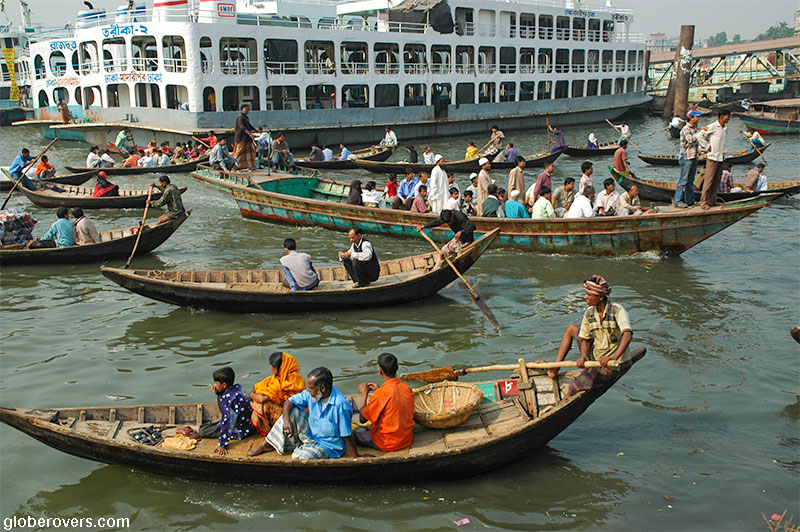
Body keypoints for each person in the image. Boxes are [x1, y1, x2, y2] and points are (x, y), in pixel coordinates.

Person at [538, 276, 632, 400]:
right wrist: (584, 356)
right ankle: (554, 370)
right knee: (572, 329)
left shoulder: (617, 310)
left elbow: (627, 335)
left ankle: (564, 400)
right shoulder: (589, 312)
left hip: (611, 362)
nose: (585, 297)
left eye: (589, 295)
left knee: (572, 390)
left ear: (600, 297)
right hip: (597, 354)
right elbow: (585, 339)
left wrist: (612, 358)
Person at [254, 367, 359, 459]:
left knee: (299, 457)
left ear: (322, 388)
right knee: (291, 412)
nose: (308, 391)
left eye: (311, 388)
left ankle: (300, 448)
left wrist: (356, 456)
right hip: (311, 434)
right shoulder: (311, 394)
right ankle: (268, 444)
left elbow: (346, 435)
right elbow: (289, 402)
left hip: (328, 446)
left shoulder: (341, 405)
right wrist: (286, 420)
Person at [355, 353, 415, 452]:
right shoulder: (407, 388)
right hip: (407, 439)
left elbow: (362, 419)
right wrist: (378, 390)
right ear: (396, 368)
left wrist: (364, 395)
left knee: (357, 431)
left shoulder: (380, 394)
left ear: (380, 371)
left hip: (387, 443)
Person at [247, 352, 306, 441]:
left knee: (260, 404)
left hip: (288, 415)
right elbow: (258, 386)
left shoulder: (280, 383)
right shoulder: (297, 378)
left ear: (275, 368)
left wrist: (251, 395)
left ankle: (270, 431)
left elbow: (262, 399)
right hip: (300, 414)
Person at [202, 367, 254, 456]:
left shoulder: (227, 400)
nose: (215, 385)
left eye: (216, 383)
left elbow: (228, 423)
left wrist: (222, 444)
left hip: (239, 430)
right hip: (246, 424)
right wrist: (217, 390)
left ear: (224, 385)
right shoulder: (238, 387)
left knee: (203, 430)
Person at [696, 110, 731, 209]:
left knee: (717, 181)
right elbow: (699, 135)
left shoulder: (725, 128)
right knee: (709, 181)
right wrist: (707, 146)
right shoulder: (713, 126)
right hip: (712, 157)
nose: (728, 119)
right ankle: (703, 202)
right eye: (727, 117)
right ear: (721, 116)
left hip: (721, 157)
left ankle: (712, 201)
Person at [674, 110, 702, 208]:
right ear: (691, 118)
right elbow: (691, 140)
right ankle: (678, 201)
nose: (698, 119)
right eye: (696, 117)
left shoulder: (696, 129)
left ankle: (690, 200)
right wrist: (701, 133)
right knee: (683, 180)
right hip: (686, 157)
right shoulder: (685, 129)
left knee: (690, 180)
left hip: (693, 156)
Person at [233, 104, 258, 170]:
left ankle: (249, 166)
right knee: (239, 152)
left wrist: (255, 130)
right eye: (246, 109)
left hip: (247, 138)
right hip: (241, 137)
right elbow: (241, 127)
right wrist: (249, 133)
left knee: (249, 152)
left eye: (248, 109)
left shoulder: (246, 118)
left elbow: (249, 125)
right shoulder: (240, 118)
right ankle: (234, 166)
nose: (247, 110)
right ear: (242, 110)